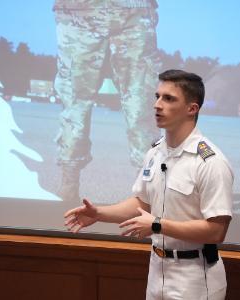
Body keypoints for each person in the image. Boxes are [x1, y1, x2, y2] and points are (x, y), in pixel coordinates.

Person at [64, 69, 234, 299]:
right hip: (157, 270)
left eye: (169, 98)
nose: (157, 104)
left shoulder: (210, 161)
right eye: (157, 96)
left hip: (195, 277)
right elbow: (142, 203)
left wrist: (157, 225)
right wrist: (99, 213)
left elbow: (216, 231)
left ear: (192, 109)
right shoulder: (155, 152)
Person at [53, 0, 160, 201]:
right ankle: (69, 184)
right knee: (138, 100)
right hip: (113, 9)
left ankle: (146, 188)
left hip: (96, 10)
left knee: (78, 101)